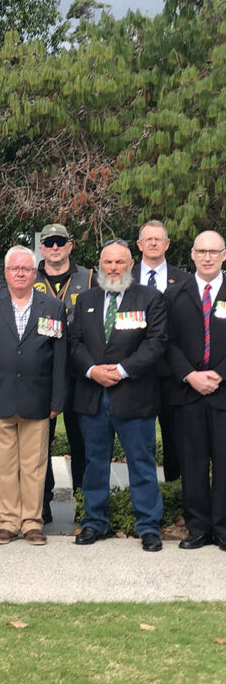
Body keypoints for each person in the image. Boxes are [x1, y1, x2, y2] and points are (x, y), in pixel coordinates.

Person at [70, 239, 167, 552]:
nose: (113, 269)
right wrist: (93, 371)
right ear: (100, 265)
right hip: (93, 396)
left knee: (141, 463)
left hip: (134, 395)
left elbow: (156, 343)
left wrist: (122, 370)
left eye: (119, 263)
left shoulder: (150, 298)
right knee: (94, 464)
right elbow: (74, 344)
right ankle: (93, 522)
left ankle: (149, 527)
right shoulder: (86, 299)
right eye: (108, 263)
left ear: (130, 265)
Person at [0, 246, 67, 546]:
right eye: (14, 269)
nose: (20, 273)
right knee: (2, 465)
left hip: (37, 398)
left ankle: (32, 523)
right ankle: (8, 521)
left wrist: (56, 400)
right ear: (5, 272)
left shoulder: (52, 307)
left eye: (26, 269)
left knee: (34, 465)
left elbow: (60, 359)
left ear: (34, 272)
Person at [164, 231, 226, 550]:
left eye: (214, 251)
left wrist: (219, 373)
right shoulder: (176, 294)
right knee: (193, 463)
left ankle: (223, 529)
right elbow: (168, 342)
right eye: (202, 251)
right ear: (191, 254)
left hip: (223, 392)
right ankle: (198, 528)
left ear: (224, 255)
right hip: (188, 393)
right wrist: (189, 375)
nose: (207, 257)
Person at [34, 222, 95, 519]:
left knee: (82, 442)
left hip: (79, 373)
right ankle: (41, 506)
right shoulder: (27, 278)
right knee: (39, 445)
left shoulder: (89, 278)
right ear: (41, 248)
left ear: (70, 245)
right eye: (49, 243)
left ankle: (85, 508)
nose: (55, 248)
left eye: (60, 242)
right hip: (41, 374)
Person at [133, 220, 190, 484]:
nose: (153, 243)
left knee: (176, 438)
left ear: (167, 244)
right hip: (134, 372)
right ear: (139, 245)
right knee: (137, 441)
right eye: (148, 239)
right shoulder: (125, 276)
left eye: (159, 239)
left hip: (173, 373)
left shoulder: (186, 280)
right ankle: (139, 500)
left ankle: (175, 494)